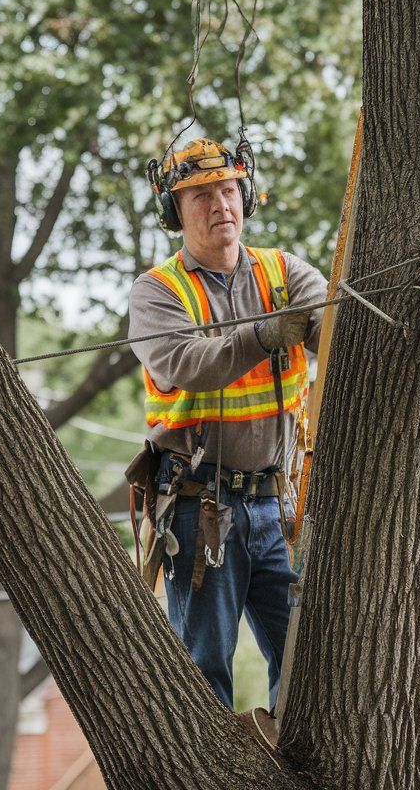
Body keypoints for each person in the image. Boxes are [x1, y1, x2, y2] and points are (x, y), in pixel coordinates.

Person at [127, 137, 328, 710]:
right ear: (174, 211)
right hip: (199, 506)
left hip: (274, 503)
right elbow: (190, 363)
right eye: (201, 196)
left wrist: (314, 324)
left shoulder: (282, 270)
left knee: (305, 656)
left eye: (230, 189)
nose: (221, 204)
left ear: (247, 197)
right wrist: (266, 333)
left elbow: (334, 329)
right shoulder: (157, 292)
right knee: (205, 665)